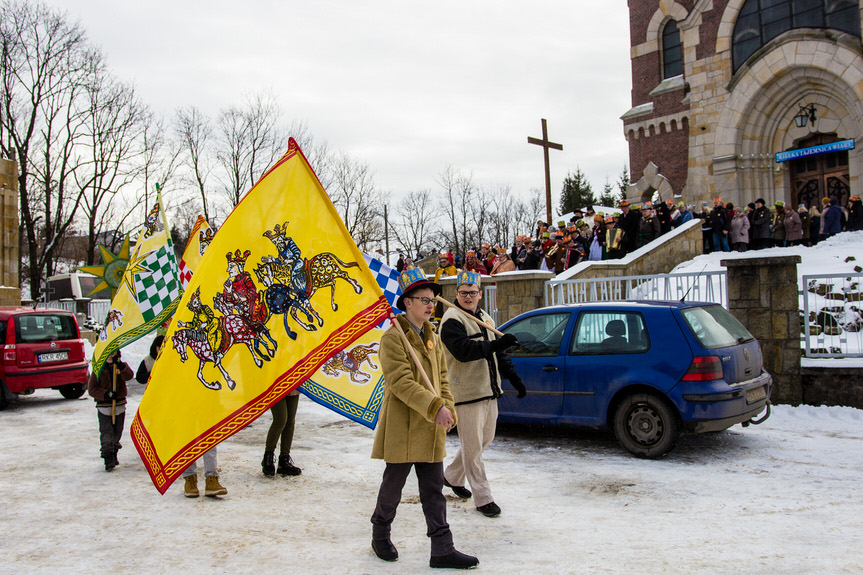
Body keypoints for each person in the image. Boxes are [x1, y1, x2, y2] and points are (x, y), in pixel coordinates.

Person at [370, 268, 478, 569]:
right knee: (393, 487)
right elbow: (401, 383)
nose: (431, 305)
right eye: (424, 300)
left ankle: (442, 548)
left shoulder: (432, 335)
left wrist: (449, 409)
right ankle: (380, 533)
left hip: (431, 426)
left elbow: (442, 378)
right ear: (407, 303)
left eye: (433, 300)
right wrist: (435, 407)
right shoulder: (393, 338)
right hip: (404, 426)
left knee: (433, 490)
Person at [441, 271, 525, 518]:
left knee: (484, 439)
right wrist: (498, 344)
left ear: (480, 294)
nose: (469, 297)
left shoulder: (485, 317)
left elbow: (499, 354)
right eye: (464, 292)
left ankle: (452, 476)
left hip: (488, 390)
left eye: (473, 292)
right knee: (473, 447)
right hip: (465, 392)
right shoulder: (452, 320)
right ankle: (483, 498)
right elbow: (464, 351)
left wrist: (515, 379)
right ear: (456, 294)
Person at [88, 350, 134, 471]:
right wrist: (106, 394)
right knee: (106, 432)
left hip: (119, 405)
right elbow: (92, 389)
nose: (110, 357)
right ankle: (108, 458)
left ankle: (114, 452)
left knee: (117, 431)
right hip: (104, 407)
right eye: (107, 354)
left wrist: (120, 365)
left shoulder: (120, 366)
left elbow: (129, 376)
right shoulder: (99, 370)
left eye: (112, 354)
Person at [262, 391, 302, 477]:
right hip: (276, 384)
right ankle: (268, 456)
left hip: (293, 383)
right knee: (280, 420)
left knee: (290, 422)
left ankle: (284, 460)